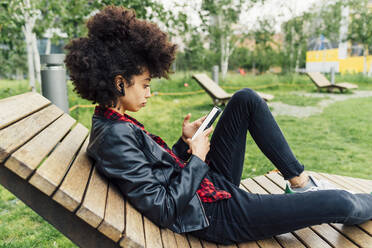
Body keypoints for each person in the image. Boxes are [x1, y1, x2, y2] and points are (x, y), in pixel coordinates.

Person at [65, 6, 372, 245]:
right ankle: (318, 194)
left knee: (246, 99)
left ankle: (301, 183)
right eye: (145, 84)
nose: (149, 92)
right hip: (217, 216)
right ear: (120, 83)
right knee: (339, 201)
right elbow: (163, 208)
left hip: (208, 189)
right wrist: (197, 157)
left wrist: (184, 144)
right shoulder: (113, 136)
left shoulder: (112, 122)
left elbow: (153, 171)